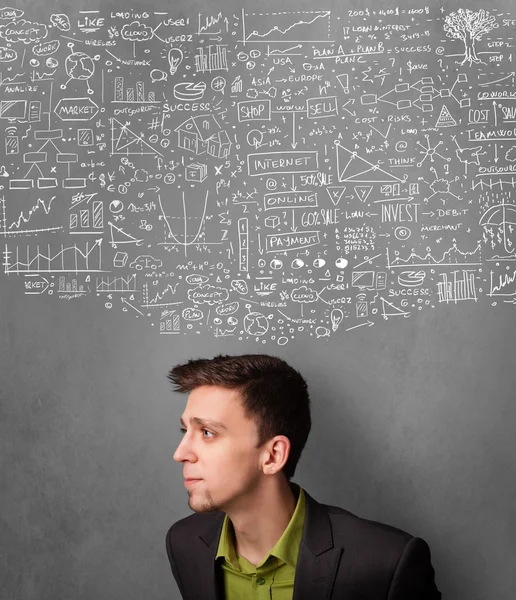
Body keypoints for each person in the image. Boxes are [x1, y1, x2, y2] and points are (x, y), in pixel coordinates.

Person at [165, 353, 441, 600]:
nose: (181, 453)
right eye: (185, 431)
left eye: (207, 433)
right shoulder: (185, 543)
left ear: (273, 455)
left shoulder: (387, 562)